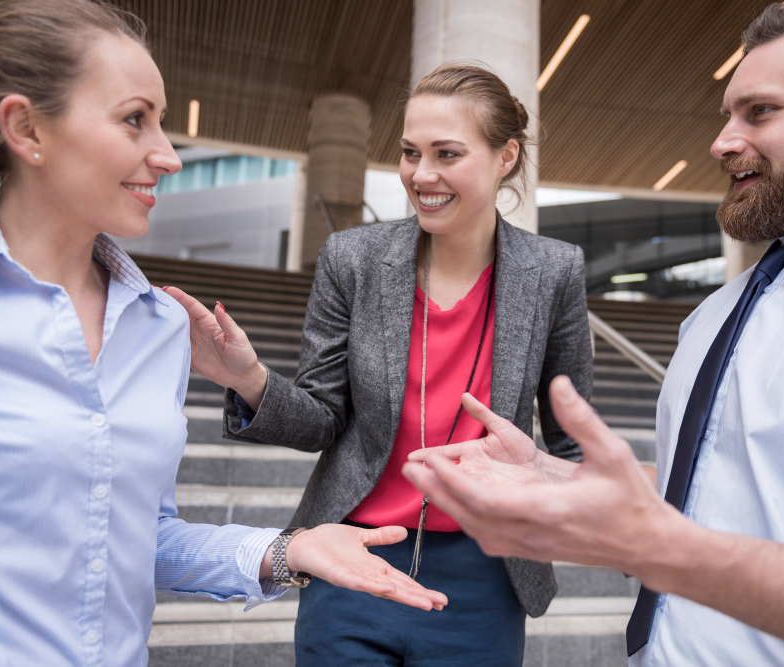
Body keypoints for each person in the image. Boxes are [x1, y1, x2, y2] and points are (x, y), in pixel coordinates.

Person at [0, 1, 447, 665]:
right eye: (135, 119)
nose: (168, 156)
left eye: (160, 122)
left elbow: (136, 538)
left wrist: (289, 550)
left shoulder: (160, 327)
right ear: (26, 128)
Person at [403, 1, 784, 666]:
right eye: (728, 114)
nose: (722, 142)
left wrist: (651, 547)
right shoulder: (716, 313)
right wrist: (551, 476)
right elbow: (726, 481)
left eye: (760, 112)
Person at [166, 63, 592, 665]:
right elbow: (322, 418)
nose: (422, 174)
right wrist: (247, 379)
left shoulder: (554, 271)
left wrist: (629, 535)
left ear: (506, 157)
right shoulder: (352, 258)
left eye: (447, 153)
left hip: (486, 576)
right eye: (410, 152)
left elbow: (572, 440)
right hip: (353, 557)